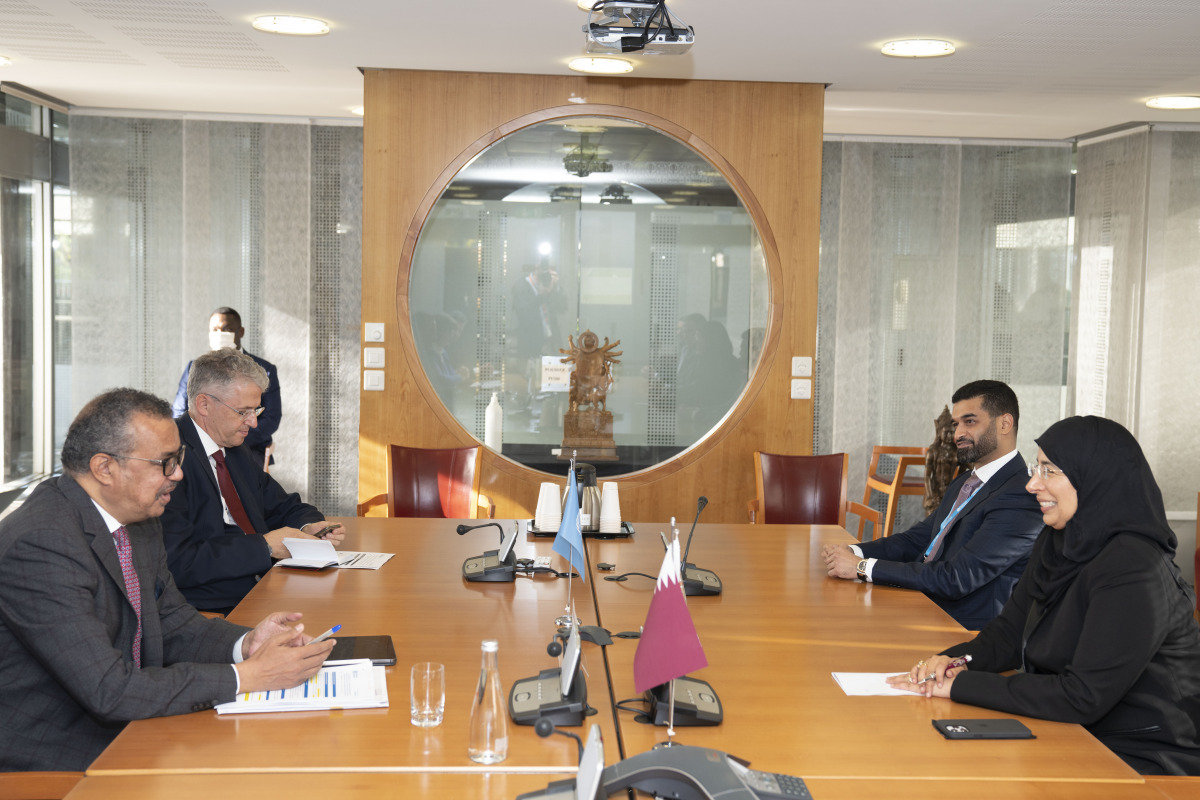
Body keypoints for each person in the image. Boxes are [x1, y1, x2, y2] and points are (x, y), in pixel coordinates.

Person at [0, 388, 335, 772]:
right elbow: (109, 691)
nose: (177, 474)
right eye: (165, 462)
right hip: (55, 750)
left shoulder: (138, 519)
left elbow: (173, 622)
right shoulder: (42, 544)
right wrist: (245, 677)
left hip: (132, 719)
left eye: (179, 458)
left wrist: (246, 644)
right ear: (104, 467)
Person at [891, 416, 1200, 776]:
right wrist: (949, 663)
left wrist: (962, 685)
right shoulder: (1058, 541)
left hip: (1144, 760)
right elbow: (1008, 633)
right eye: (1037, 468)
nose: (1032, 484)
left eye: (1050, 471)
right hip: (1074, 733)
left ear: (1094, 478)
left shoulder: (1134, 568)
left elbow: (1082, 696)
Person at [822, 380, 1043, 629]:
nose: (958, 434)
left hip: (958, 629)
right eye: (956, 424)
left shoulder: (1020, 497)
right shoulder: (965, 482)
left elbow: (958, 578)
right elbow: (918, 539)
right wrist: (855, 552)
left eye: (970, 421)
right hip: (920, 603)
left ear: (1005, 424)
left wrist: (862, 568)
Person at [162, 348, 344, 614]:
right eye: (243, 412)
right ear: (203, 404)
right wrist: (265, 547)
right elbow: (180, 561)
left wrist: (308, 526)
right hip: (211, 606)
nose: (254, 423)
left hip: (264, 584)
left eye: (256, 410)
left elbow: (282, 505)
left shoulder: (234, 449)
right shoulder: (168, 458)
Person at [173, 307, 281, 469]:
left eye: (227, 329)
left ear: (241, 331)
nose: (220, 334)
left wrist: (234, 439)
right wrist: (206, 440)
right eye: (215, 330)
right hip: (200, 446)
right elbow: (179, 410)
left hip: (248, 446)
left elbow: (271, 418)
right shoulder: (194, 368)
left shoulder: (265, 370)